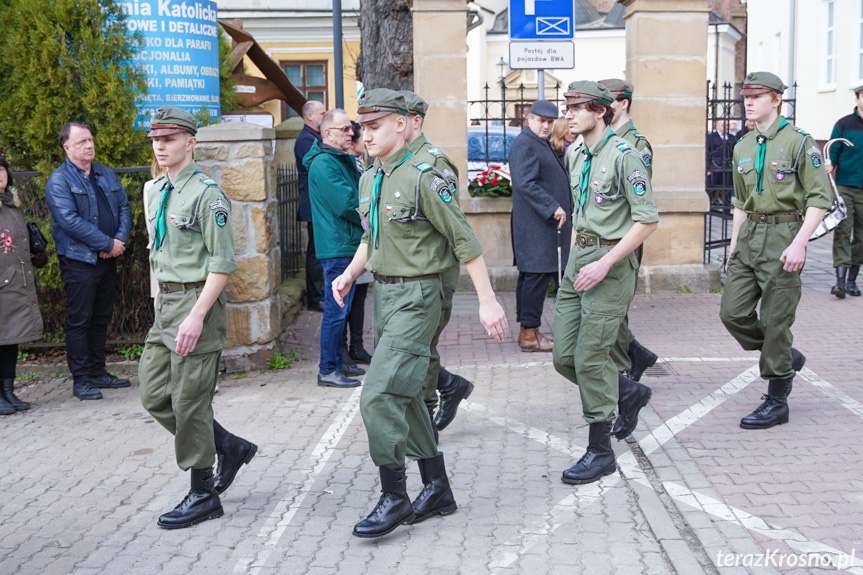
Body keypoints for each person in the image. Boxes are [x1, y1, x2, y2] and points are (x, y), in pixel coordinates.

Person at [332, 89, 507, 539]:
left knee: (379, 395)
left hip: (420, 296)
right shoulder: (373, 176)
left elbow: (464, 240)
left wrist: (487, 301)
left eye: (375, 126)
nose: (364, 134)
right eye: (362, 127)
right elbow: (372, 236)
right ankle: (437, 487)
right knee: (409, 394)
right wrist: (351, 273)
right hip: (386, 296)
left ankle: (394, 495)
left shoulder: (425, 175)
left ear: (405, 124)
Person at [139, 106, 257, 529]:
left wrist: (195, 316)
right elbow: (156, 252)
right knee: (154, 395)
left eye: (169, 138)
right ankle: (228, 446)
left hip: (197, 306)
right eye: (156, 138)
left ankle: (203, 493)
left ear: (191, 142)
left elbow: (223, 264)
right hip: (166, 306)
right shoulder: (154, 189)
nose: (160, 145)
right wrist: (159, 305)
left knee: (190, 403)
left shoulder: (208, 194)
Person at [553, 81, 659, 485]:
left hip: (610, 264)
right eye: (569, 106)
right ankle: (628, 393)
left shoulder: (625, 155)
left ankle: (600, 453)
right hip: (579, 258)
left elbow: (646, 220)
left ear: (601, 111)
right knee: (565, 357)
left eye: (578, 107)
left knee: (591, 357)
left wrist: (606, 261)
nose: (570, 113)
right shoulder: (576, 152)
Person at [719, 72, 832, 430]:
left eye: (757, 96)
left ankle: (777, 400)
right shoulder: (743, 145)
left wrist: (799, 242)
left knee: (775, 319)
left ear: (776, 100)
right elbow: (740, 201)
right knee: (732, 314)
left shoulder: (800, 143)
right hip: (750, 232)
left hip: (785, 233)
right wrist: (734, 242)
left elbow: (820, 199)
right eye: (745, 97)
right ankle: (783, 355)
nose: (748, 102)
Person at [400, 89, 476, 435]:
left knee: (422, 344)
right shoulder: (394, 161)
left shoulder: (433, 163)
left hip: (434, 272)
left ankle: (427, 410)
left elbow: (453, 227)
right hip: (406, 274)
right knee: (414, 346)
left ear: (414, 122)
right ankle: (445, 388)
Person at [45, 122, 133, 400]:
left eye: (91, 140)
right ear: (66, 147)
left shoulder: (105, 173)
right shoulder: (59, 180)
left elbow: (124, 207)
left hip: (108, 259)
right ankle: (81, 379)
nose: (89, 145)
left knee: (101, 318)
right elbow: (69, 221)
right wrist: (106, 243)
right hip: (79, 261)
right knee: (80, 320)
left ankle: (98, 372)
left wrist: (117, 242)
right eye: (82, 141)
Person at [599, 78, 659, 382]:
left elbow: (639, 200)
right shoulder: (600, 140)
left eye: (606, 101)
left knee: (613, 308)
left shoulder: (636, 145)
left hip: (623, 236)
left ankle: (624, 371)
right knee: (606, 308)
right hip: (599, 236)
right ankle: (635, 354)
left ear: (623, 104)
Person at [304, 108, 365, 388]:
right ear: (327, 133)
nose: (351, 132)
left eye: (351, 128)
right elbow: (347, 203)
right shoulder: (324, 164)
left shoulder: (337, 159)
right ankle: (328, 369)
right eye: (345, 129)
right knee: (336, 310)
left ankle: (337, 364)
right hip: (338, 246)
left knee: (343, 308)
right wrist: (370, 218)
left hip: (346, 244)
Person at [509, 99, 572, 352]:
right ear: (530, 119)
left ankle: (530, 331)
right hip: (536, 225)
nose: (546, 126)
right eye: (541, 121)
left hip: (541, 225)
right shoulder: (525, 143)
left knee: (533, 277)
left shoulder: (539, 142)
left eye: (550, 122)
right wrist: (552, 206)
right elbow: (525, 183)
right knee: (535, 277)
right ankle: (529, 334)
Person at [0, 157, 45, 414]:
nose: (0, 175)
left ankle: (8, 391)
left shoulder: (13, 204)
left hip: (16, 280)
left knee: (10, 339)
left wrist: (36, 253)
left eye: (2, 170)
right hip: (3, 281)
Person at [341, 121, 374, 369]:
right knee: (347, 298)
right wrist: (369, 218)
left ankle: (357, 346)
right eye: (364, 135)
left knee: (360, 296)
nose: (367, 139)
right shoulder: (348, 164)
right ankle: (343, 350)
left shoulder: (364, 163)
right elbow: (351, 204)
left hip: (363, 237)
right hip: (352, 238)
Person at [826, 84, 863, 298]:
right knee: (842, 230)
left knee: (861, 236)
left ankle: (852, 281)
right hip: (845, 187)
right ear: (857, 98)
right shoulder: (844, 124)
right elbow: (833, 149)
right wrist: (830, 164)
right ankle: (839, 282)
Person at [295, 100, 327, 312]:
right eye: (322, 113)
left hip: (318, 204)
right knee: (315, 254)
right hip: (313, 204)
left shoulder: (314, 137)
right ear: (310, 117)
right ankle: (315, 299)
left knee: (319, 252)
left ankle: (319, 293)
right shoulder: (306, 140)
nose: (325, 116)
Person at [707, 119, 734, 203]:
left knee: (727, 189)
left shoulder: (731, 137)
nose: (726, 127)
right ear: (717, 126)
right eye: (723, 125)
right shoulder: (711, 137)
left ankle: (726, 210)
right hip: (715, 168)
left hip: (728, 168)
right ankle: (711, 206)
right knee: (713, 187)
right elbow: (707, 152)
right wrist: (708, 168)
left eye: (727, 125)